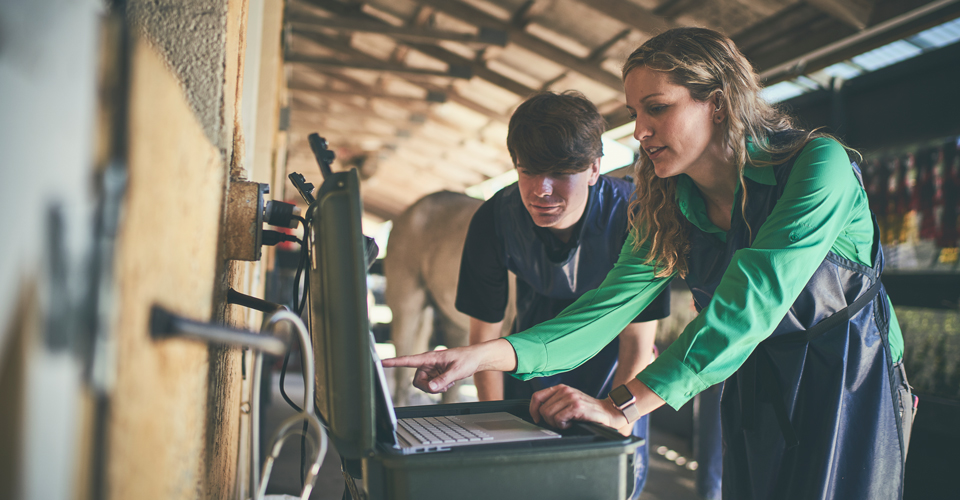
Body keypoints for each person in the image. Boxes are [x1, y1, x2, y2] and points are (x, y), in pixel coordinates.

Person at [384, 27, 916, 500]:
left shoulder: (816, 166)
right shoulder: (665, 203)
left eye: (656, 108)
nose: (638, 130)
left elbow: (750, 305)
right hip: (752, 381)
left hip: (850, 382)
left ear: (720, 102)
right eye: (634, 112)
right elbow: (601, 314)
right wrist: (480, 357)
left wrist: (621, 406)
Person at [455, 91, 671, 498]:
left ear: (593, 169)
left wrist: (616, 420)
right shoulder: (494, 219)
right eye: (528, 171)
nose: (542, 190)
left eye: (560, 172)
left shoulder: (638, 216)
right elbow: (484, 339)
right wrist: (492, 425)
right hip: (530, 350)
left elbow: (638, 344)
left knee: (608, 482)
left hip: (616, 362)